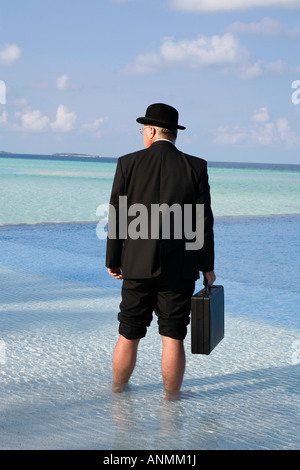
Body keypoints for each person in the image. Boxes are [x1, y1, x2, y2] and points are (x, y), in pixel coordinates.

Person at [106, 103, 215, 397]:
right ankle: (172, 402)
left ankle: (117, 395)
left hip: (136, 265)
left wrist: (113, 260)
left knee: (128, 333)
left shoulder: (127, 163)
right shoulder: (196, 167)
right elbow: (201, 223)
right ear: (173, 133)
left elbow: (117, 216)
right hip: (179, 267)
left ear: (151, 131)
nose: (144, 134)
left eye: (144, 129)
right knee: (173, 337)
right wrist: (207, 266)